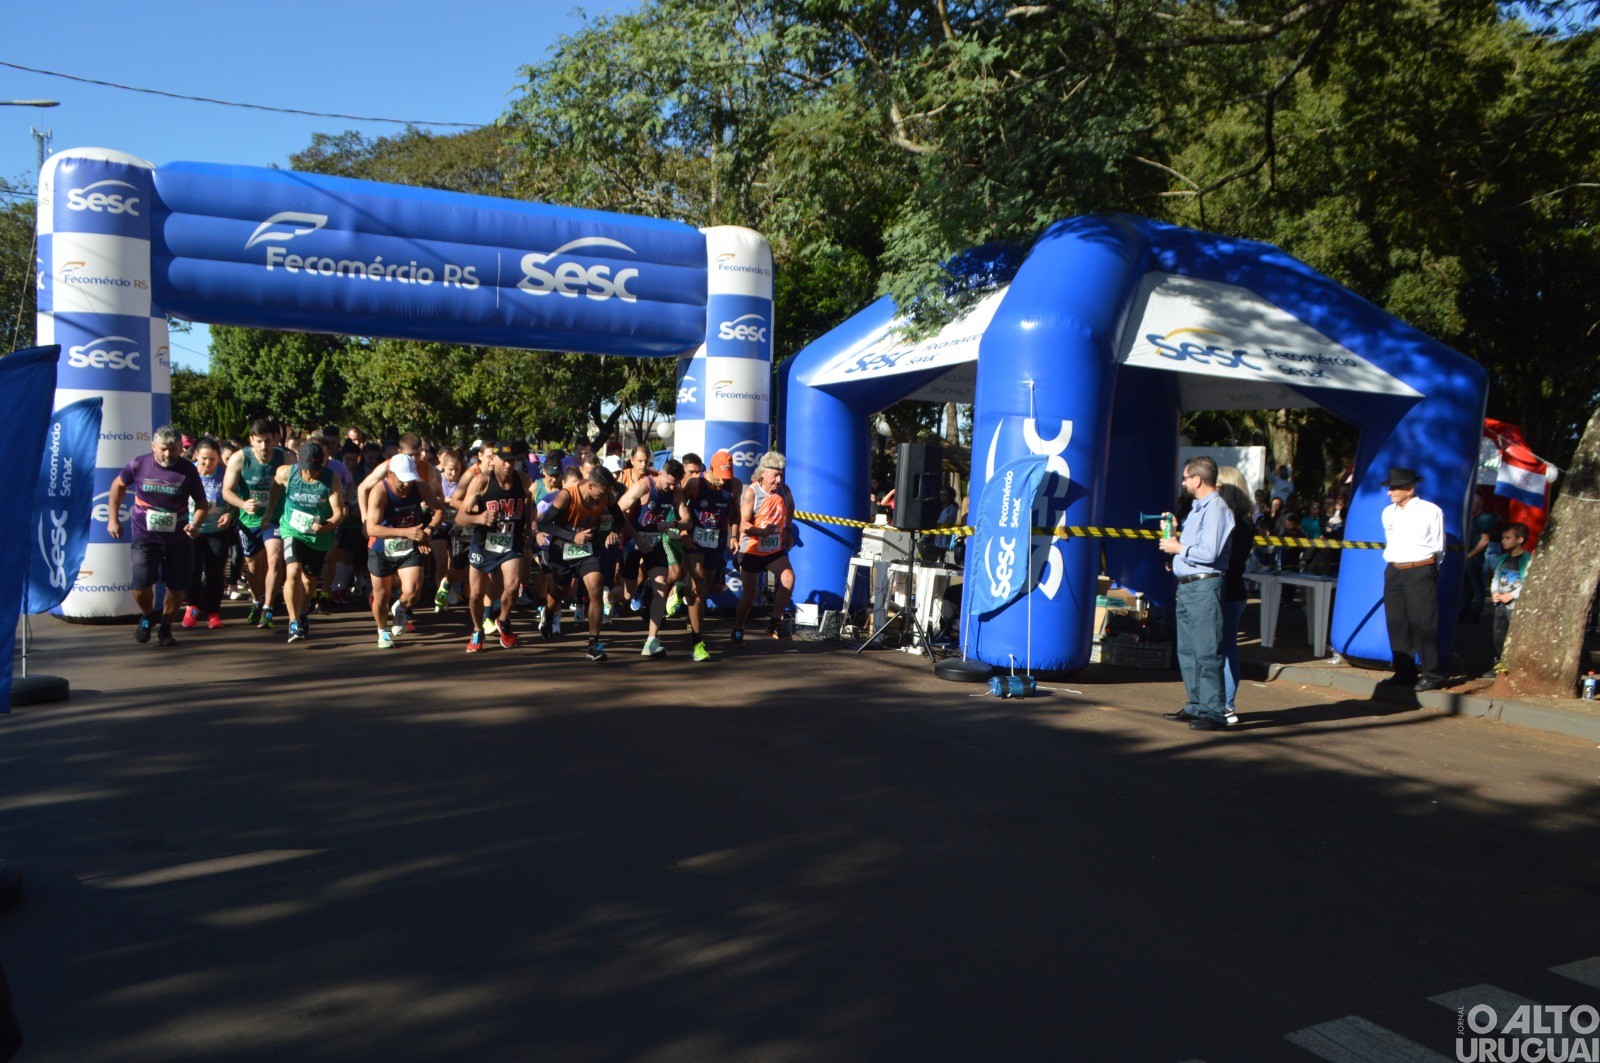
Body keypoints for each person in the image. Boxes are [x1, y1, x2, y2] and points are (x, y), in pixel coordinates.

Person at [107, 425, 210, 647]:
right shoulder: (138, 464)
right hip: (145, 536)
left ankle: (165, 627)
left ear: (180, 449)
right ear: (153, 446)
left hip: (178, 538)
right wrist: (113, 519)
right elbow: (118, 486)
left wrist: (196, 524)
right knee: (141, 583)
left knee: (176, 586)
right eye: (163, 449)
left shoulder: (187, 471)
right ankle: (148, 614)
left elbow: (202, 504)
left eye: (173, 449)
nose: (168, 454)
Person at [1158, 455, 1235, 731]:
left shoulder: (1216, 509)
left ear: (1198, 479)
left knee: (1206, 650)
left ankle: (1214, 711)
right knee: (1188, 650)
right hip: (1190, 586)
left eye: (1186, 477)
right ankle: (1196, 705)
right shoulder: (1198, 509)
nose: (1183, 482)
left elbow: (1210, 552)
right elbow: (1195, 548)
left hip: (1205, 586)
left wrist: (1179, 549)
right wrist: (1176, 541)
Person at [538, 464, 632, 661]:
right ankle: (548, 612)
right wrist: (573, 536)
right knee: (561, 592)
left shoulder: (607, 496)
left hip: (588, 551)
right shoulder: (567, 495)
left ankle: (593, 643)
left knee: (596, 590)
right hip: (563, 550)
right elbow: (544, 524)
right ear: (590, 486)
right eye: (602, 492)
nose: (605, 497)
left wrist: (614, 532)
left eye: (608, 493)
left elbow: (619, 519)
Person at [452, 440, 534, 653]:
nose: (508, 465)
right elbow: (461, 517)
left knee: (513, 587)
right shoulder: (482, 481)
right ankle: (478, 630)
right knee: (476, 594)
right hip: (483, 544)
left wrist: (527, 528)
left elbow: (529, 501)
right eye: (504, 460)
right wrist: (479, 518)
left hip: (510, 542)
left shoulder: (523, 480)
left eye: (512, 461)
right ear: (494, 459)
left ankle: (503, 621)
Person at [365, 454, 443, 649]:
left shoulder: (420, 486)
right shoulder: (379, 492)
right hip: (382, 548)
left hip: (408, 547)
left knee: (413, 593)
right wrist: (405, 532)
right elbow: (371, 529)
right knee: (381, 597)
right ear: (390, 474)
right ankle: (382, 631)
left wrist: (429, 529)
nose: (406, 485)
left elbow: (439, 510)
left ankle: (400, 608)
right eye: (402, 480)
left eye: (409, 480)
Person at [1378, 465, 1446, 691]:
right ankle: (1404, 671)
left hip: (1420, 568)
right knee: (1396, 622)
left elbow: (1439, 545)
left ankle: (1431, 675)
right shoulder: (1388, 512)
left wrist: (1428, 569)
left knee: (1423, 623)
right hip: (1394, 569)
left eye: (1394, 488)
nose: (1390, 492)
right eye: (1389, 488)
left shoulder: (1430, 511)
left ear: (1409, 488)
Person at [271, 441, 345, 644]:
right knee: (293, 571)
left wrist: (328, 525)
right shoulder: (288, 473)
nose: (310, 474)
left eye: (315, 469)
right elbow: (275, 485)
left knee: (309, 580)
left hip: (318, 536)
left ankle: (303, 612)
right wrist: (271, 510)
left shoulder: (331, 480)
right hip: (292, 529)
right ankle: (293, 621)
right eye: (307, 469)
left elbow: (339, 512)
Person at [616, 458, 688, 658]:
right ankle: (608, 597)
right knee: (627, 594)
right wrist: (637, 537)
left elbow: (687, 521)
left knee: (661, 588)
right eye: (670, 482)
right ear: (661, 474)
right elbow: (617, 510)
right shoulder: (644, 485)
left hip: (655, 545)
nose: (671, 487)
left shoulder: (675, 491)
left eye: (676, 484)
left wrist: (673, 523)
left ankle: (651, 641)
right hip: (632, 542)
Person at [221, 419, 289, 630]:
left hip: (274, 519)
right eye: (259, 442)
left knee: (275, 559)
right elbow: (226, 491)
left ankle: (268, 607)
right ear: (251, 441)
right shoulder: (239, 458)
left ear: (275, 440)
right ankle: (257, 600)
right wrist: (242, 503)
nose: (264, 447)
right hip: (248, 521)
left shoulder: (285, 457)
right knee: (253, 566)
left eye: (268, 441)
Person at [680, 450, 741, 662]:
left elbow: (735, 513)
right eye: (721, 477)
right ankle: (697, 642)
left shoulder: (735, 485)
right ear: (711, 469)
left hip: (717, 542)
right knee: (699, 588)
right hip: (695, 542)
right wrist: (683, 531)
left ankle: (683, 589)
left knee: (710, 589)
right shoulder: (695, 484)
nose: (723, 482)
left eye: (728, 477)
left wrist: (734, 535)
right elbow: (678, 503)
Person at [733, 451, 797, 643]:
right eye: (774, 475)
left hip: (773, 550)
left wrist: (786, 530)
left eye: (781, 475)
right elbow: (743, 524)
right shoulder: (752, 492)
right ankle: (738, 630)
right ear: (763, 473)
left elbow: (791, 507)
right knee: (749, 595)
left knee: (788, 578)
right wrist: (762, 533)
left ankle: (774, 623)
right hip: (751, 549)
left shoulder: (785, 491)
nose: (778, 480)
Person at [1215, 466, 1257, 727]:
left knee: (1226, 649)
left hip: (1227, 590)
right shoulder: (1243, 520)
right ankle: (1223, 703)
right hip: (1234, 590)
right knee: (1225, 648)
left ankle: (1227, 704)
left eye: (1218, 486)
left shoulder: (1233, 522)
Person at [182, 438, 233, 631]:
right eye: (204, 459)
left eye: (212, 459)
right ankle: (192, 607)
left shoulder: (225, 474)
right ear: (195, 455)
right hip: (192, 531)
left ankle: (213, 612)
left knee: (214, 573)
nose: (207, 464)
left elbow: (236, 499)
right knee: (192, 570)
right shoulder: (186, 472)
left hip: (217, 531)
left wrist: (230, 513)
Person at [1487, 523, 1532, 676]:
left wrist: (1512, 595)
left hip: (1514, 605)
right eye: (1503, 538)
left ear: (1520, 539)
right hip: (1500, 603)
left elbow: (1528, 582)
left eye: (1508, 538)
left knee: (1513, 635)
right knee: (1498, 634)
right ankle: (1498, 665)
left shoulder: (1527, 560)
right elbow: (1496, 578)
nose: (1503, 541)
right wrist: (1495, 592)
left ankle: (1513, 666)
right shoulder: (1503, 559)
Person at [1460, 492, 1499, 623]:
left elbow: (1485, 540)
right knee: (1466, 587)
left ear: (1478, 504)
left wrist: (1470, 555)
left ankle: (1475, 613)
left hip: (1474, 557)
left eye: (1474, 504)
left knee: (1477, 586)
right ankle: (1464, 611)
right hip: (1466, 556)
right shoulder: (1469, 518)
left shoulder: (1485, 519)